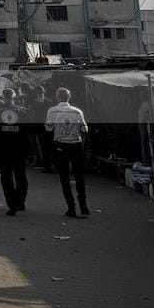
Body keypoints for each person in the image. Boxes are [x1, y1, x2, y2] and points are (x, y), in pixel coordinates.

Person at [45, 87, 89, 217]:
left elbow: (48, 128)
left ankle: (71, 208)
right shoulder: (78, 111)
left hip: (61, 146)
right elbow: (85, 129)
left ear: (57, 97)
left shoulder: (52, 111)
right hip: (76, 145)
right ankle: (84, 206)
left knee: (64, 178)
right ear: (69, 97)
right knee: (79, 177)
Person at [0, 88, 30, 216]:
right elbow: (30, 131)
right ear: (14, 97)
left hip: (2, 148)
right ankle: (20, 201)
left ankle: (12, 204)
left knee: (6, 176)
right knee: (21, 175)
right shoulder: (24, 112)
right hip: (20, 148)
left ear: (3, 97)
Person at [29, 87, 55, 171]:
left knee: (41, 144)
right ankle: (51, 163)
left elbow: (32, 114)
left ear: (36, 93)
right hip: (49, 124)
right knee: (50, 143)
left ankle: (44, 163)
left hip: (38, 125)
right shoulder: (50, 101)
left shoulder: (34, 102)